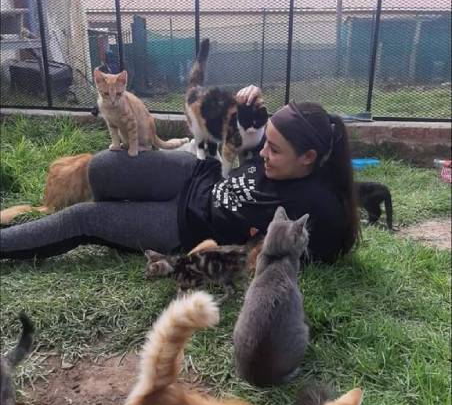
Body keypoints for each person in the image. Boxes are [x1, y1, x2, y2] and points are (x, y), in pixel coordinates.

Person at [0, 85, 359, 263]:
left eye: (275, 150)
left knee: (83, 218)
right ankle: (121, 212)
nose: (264, 152)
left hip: (185, 224)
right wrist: (250, 104)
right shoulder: (287, 154)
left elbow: (301, 254)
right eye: (269, 143)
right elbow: (252, 143)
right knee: (101, 168)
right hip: (195, 175)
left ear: (308, 158)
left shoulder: (320, 209)